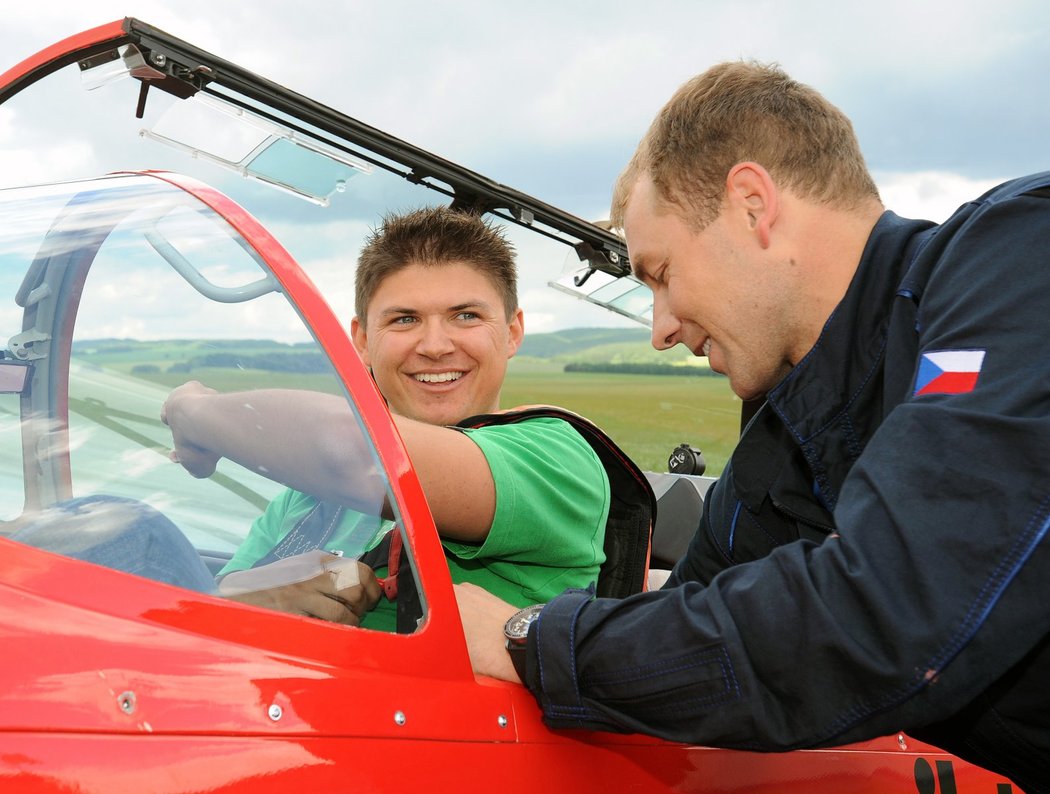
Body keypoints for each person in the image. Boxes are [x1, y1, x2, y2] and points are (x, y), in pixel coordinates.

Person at [454, 61, 1050, 791]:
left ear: (750, 204)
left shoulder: (1019, 256)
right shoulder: (785, 442)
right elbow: (689, 642)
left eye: (662, 273)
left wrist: (528, 638)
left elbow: (892, 614)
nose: (660, 329)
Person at [117, 206, 619, 631]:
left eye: (466, 315)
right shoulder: (309, 495)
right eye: (404, 319)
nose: (436, 345)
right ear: (361, 340)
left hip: (435, 740)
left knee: (133, 536)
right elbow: (215, 595)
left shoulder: (556, 459)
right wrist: (255, 596)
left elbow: (353, 454)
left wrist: (192, 412)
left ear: (512, 332)